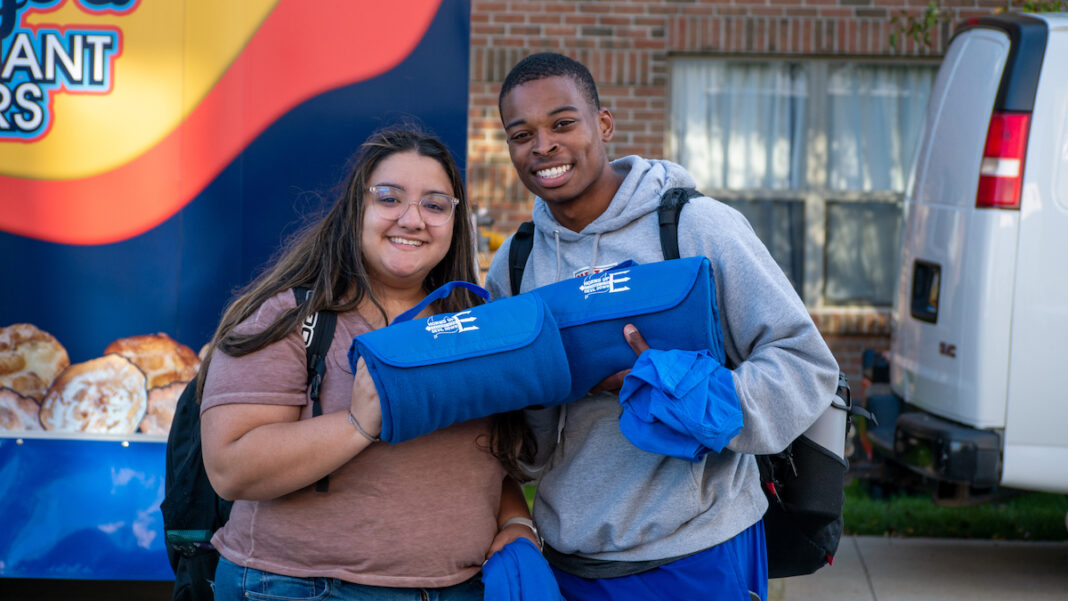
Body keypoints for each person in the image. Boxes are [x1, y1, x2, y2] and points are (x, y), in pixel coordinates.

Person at [483, 53, 841, 601]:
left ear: (603, 125)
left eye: (562, 123)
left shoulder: (697, 227)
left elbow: (805, 364)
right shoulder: (516, 262)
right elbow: (527, 451)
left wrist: (665, 383)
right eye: (521, 133)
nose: (543, 146)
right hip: (569, 559)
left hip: (700, 551)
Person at [199, 125, 537, 601]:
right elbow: (231, 469)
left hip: (458, 588)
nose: (413, 219)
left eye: (435, 205)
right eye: (390, 198)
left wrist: (516, 521)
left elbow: (490, 459)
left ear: (456, 222)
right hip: (302, 588)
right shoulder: (291, 316)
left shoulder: (475, 324)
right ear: (357, 206)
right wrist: (358, 424)